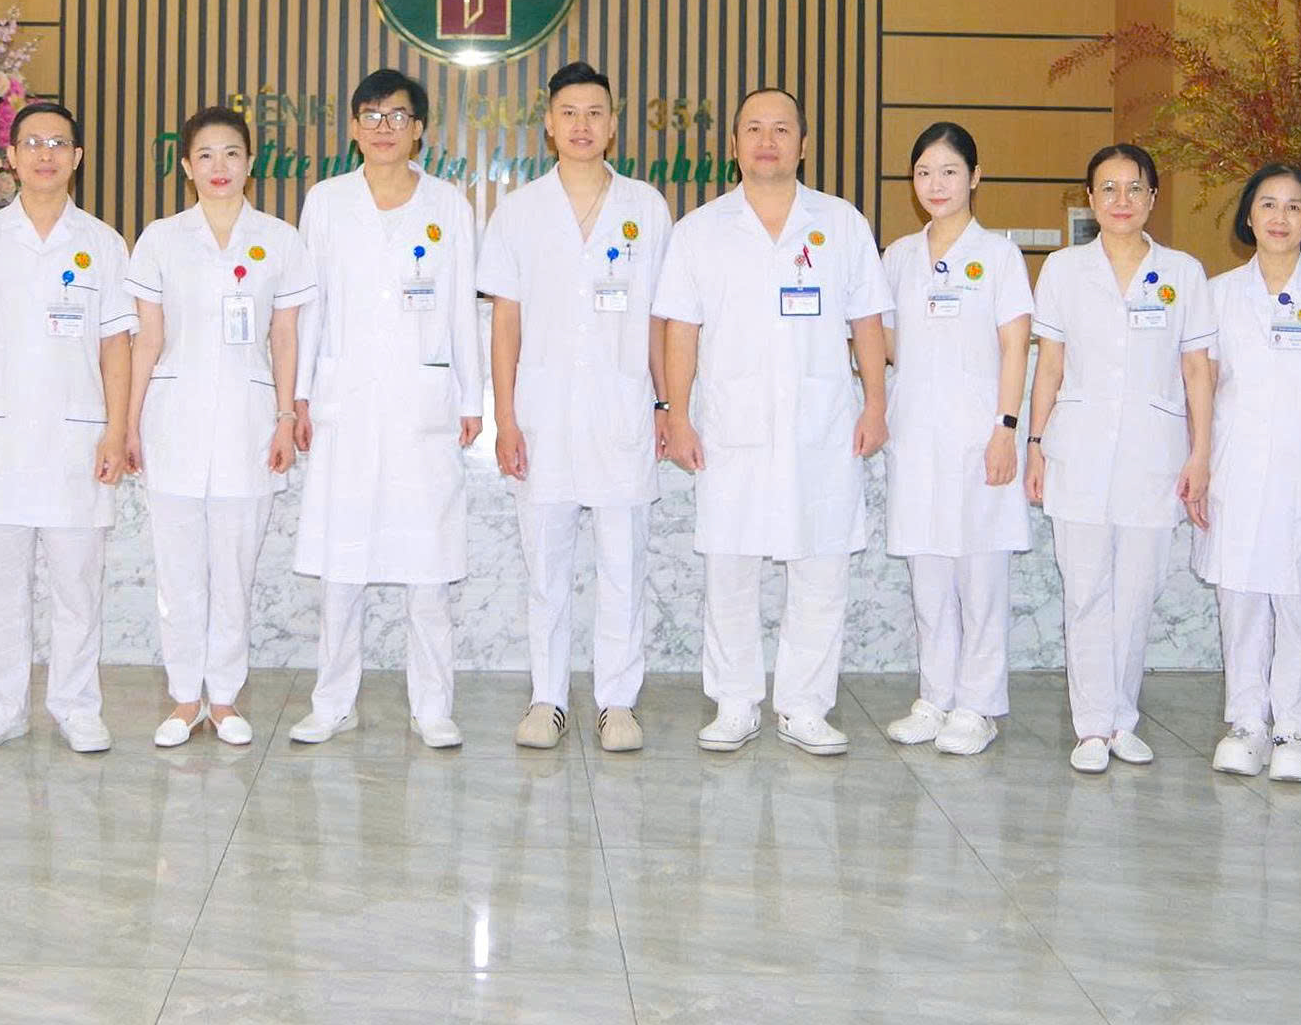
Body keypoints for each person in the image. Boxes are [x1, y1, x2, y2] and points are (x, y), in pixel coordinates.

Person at [657, 87, 889, 757]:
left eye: (782, 128)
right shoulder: (700, 229)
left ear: (803, 143)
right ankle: (735, 700)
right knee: (729, 564)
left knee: (821, 564)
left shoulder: (840, 222)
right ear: (733, 145)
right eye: (754, 128)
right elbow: (681, 328)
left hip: (822, 424)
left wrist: (875, 402)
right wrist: (676, 412)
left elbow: (867, 320)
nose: (768, 139)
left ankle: (805, 705)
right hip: (730, 424)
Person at [481, 62, 672, 754]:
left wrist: (665, 402)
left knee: (625, 562)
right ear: (549, 123)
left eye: (596, 112)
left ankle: (617, 701)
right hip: (543, 414)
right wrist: (505, 418)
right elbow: (506, 323)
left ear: (614, 123)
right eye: (569, 112)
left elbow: (659, 319)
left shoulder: (646, 206)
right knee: (547, 565)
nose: (583, 124)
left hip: (622, 408)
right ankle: (548, 697)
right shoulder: (520, 210)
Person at [288, 69, 482, 748]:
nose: (382, 127)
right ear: (352, 125)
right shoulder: (326, 201)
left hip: (422, 401)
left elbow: (461, 305)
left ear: (420, 128)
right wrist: (301, 394)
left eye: (397, 116)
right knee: (343, 565)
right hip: (345, 400)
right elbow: (310, 305)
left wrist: (471, 393)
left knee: (426, 562)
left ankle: (432, 705)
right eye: (370, 114)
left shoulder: (449, 204)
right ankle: (332, 699)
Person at [0, 100, 135, 754]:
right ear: (12, 157)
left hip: (78, 439)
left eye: (58, 142)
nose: (46, 153)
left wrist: (114, 431)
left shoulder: (102, 243)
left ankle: (77, 705)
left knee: (77, 582)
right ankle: (1, 707)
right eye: (32, 142)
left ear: (77, 157)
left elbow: (116, 347)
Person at [125, 105, 316, 749]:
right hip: (171, 422)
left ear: (251, 161)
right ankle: (184, 699)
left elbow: (285, 337)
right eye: (205, 155)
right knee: (179, 573)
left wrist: (287, 415)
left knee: (234, 572)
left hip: (250, 423)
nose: (219, 167)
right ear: (186, 166)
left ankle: (226, 699)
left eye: (232, 153)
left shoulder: (280, 240)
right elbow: (146, 340)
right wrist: (127, 424)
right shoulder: (160, 238)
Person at [1026, 144, 1213, 775]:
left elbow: (1196, 370)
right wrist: (1034, 443)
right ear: (1090, 198)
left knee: (1137, 592)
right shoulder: (1061, 269)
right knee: (1084, 591)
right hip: (1075, 448)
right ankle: (1090, 724)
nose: (1121, 202)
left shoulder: (1183, 273)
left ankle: (1122, 720)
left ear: (1153, 198)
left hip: (1154, 454)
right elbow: (1048, 364)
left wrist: (1201, 453)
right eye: (1108, 189)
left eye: (1134, 189)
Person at [1192, 164, 1301, 785]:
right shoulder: (1218, 293)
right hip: (1234, 465)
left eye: (1294, 207)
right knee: (1239, 600)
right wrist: (1201, 460)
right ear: (1249, 216)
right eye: (1268, 205)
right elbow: (1202, 385)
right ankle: (1245, 723)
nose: (1280, 218)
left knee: (1299, 602)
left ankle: (1293, 728)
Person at [879, 121, 1032, 757]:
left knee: (980, 575)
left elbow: (1016, 344)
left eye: (948, 171)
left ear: (975, 177)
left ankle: (978, 703)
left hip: (980, 439)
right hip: (916, 437)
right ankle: (935, 696)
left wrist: (1005, 427)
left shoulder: (998, 256)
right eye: (923, 173)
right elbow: (885, 343)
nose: (935, 184)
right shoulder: (898, 257)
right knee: (930, 577)